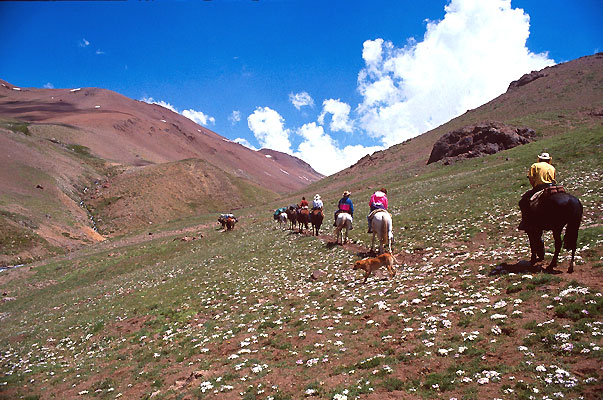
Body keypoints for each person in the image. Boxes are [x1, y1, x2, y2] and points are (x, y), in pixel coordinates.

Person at [518, 152, 556, 231]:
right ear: (548, 160)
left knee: (523, 202)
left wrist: (534, 187)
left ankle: (525, 221)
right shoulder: (552, 167)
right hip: (552, 186)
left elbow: (531, 178)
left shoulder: (535, 165)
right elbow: (554, 179)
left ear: (540, 159)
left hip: (540, 187)